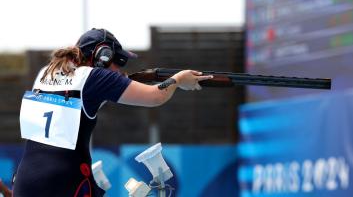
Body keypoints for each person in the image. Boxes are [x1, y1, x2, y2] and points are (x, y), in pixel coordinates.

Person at [13, 28, 213, 197]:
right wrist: (178, 80)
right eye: (118, 61)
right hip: (65, 184)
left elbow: (82, 102)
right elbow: (155, 96)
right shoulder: (95, 77)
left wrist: (120, 83)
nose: (119, 69)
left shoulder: (46, 73)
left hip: (24, 182)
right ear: (103, 56)